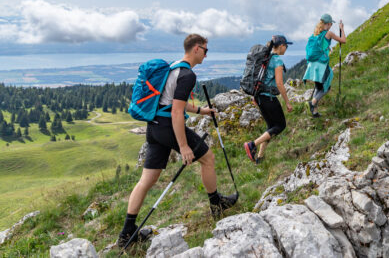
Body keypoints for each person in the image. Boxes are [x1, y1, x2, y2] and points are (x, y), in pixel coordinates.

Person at [118, 34, 237, 248]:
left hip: (153, 128)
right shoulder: (187, 74)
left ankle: (127, 233)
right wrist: (183, 147)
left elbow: (171, 102)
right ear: (196, 49)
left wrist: (201, 110)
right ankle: (217, 205)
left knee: (147, 179)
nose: (206, 55)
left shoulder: (173, 68)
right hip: (167, 126)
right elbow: (175, 111)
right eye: (206, 50)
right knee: (208, 158)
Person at [243, 35, 293, 164]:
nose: (286, 48)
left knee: (271, 127)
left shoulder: (266, 58)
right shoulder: (277, 61)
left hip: (260, 97)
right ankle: (252, 145)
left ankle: (260, 157)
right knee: (280, 125)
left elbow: (259, 78)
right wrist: (287, 102)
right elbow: (279, 83)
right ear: (281, 46)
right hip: (269, 98)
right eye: (286, 46)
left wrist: (255, 95)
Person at [303, 14, 346, 117]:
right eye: (331, 24)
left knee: (318, 87)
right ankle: (312, 103)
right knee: (326, 87)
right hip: (321, 65)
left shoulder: (315, 34)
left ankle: (315, 112)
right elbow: (343, 41)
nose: (331, 25)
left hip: (312, 65)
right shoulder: (329, 33)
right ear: (328, 24)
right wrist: (342, 29)